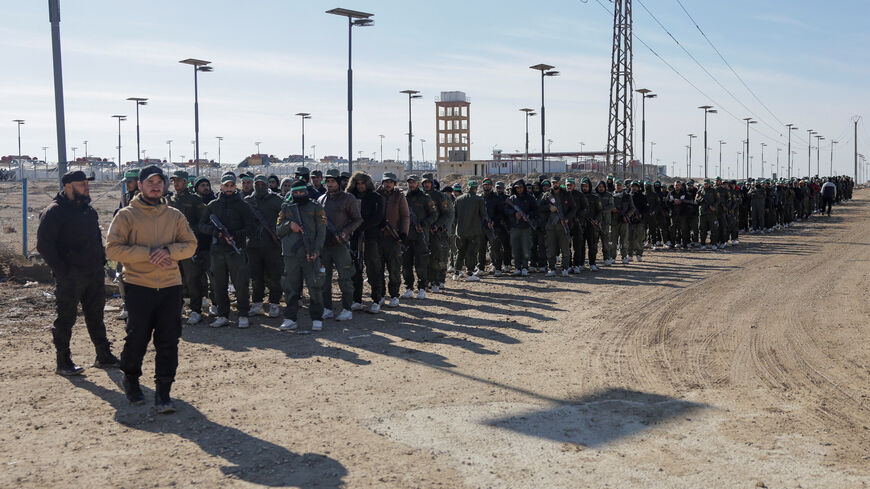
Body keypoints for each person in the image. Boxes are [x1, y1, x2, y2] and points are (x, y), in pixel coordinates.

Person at [105, 165, 197, 413]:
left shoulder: (175, 216)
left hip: (170, 286)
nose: (155, 186)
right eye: (150, 182)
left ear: (165, 185)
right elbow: (112, 249)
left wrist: (168, 252)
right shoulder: (126, 215)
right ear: (141, 185)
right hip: (139, 286)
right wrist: (148, 255)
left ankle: (163, 391)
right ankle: (131, 379)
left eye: (160, 182)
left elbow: (190, 245)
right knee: (137, 337)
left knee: (168, 341)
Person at [37, 170, 121, 376]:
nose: (87, 186)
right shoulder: (54, 211)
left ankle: (103, 355)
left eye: (87, 183)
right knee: (66, 318)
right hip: (70, 277)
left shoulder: (88, 211)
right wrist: (62, 271)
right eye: (82, 183)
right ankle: (63, 361)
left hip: (93, 273)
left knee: (96, 316)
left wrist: (102, 261)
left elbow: (95, 240)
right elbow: (44, 246)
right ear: (68, 186)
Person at [198, 173, 256, 328]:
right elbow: (202, 225)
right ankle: (223, 315)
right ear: (221, 187)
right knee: (218, 284)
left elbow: (251, 227)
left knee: (240, 284)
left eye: (232, 185)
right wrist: (216, 232)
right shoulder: (213, 205)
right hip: (217, 252)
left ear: (235, 186)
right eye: (226, 186)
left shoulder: (243, 206)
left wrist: (235, 234)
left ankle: (243, 314)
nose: (229, 188)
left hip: (236, 251)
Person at [277, 180, 327, 331]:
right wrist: (289, 226)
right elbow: (278, 229)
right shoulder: (286, 207)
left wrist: (316, 250)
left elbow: (321, 231)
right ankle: (290, 318)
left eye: (302, 192)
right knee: (291, 287)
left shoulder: (316, 207)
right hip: (291, 255)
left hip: (310, 253)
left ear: (306, 192)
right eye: (296, 192)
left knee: (315, 286)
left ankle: (317, 318)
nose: (299, 195)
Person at [318, 169, 362, 321]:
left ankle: (347, 308)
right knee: (324, 279)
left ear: (338, 183)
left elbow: (357, 219)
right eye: (327, 181)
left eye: (332, 181)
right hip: (324, 246)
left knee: (345, 278)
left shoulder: (348, 199)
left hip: (340, 245)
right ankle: (327, 308)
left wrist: (345, 232)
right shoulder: (321, 199)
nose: (329, 184)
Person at [167, 170, 208, 325]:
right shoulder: (170, 200)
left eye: (179, 181)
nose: (176, 183)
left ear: (186, 182)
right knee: (176, 279)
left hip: (188, 246)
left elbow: (202, 223)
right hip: (173, 246)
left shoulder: (195, 200)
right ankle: (178, 308)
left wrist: (188, 230)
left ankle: (196, 310)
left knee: (192, 279)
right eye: (174, 181)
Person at [244, 175, 284, 318]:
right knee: (256, 277)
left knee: (275, 276)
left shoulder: (276, 200)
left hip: (273, 245)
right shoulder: (248, 201)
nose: (260, 186)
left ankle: (274, 303)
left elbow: (286, 217)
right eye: (257, 184)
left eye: (263, 184)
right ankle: (257, 303)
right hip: (253, 246)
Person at [348, 172, 386, 313]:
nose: (360, 186)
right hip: (354, 237)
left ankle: (376, 299)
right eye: (357, 183)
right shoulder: (350, 197)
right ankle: (356, 300)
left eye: (362, 183)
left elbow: (377, 218)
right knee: (355, 270)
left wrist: (361, 226)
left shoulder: (376, 198)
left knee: (374, 269)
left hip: (371, 237)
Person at [377, 173, 410, 307]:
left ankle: (394, 295)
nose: (388, 184)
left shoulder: (399, 196)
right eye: (386, 182)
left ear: (394, 183)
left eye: (391, 182)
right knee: (377, 269)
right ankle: (379, 295)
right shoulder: (376, 195)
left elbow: (405, 216)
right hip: (378, 238)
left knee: (394, 269)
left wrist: (403, 234)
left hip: (394, 238)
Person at [402, 175, 437, 299]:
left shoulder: (425, 198)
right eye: (409, 182)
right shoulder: (403, 197)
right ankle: (408, 288)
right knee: (406, 264)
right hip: (406, 236)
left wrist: (423, 224)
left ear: (418, 184)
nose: (411, 185)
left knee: (421, 264)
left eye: (414, 182)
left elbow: (434, 214)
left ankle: (422, 288)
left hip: (420, 236)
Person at [452, 180, 487, 281]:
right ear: (476, 188)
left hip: (460, 231)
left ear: (467, 188)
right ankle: (470, 273)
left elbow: (454, 216)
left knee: (460, 251)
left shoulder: (458, 199)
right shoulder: (479, 199)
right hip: (474, 231)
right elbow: (484, 215)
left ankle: (457, 272)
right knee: (471, 252)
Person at [423, 173, 452, 291]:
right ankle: (428, 281)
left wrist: (437, 225)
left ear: (432, 183)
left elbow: (447, 214)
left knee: (439, 257)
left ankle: (438, 281)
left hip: (438, 232)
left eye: (428, 182)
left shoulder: (440, 196)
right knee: (425, 258)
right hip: (424, 231)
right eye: (424, 183)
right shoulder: (421, 196)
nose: (427, 185)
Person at [541, 180, 576, 276]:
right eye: (553, 183)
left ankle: (565, 268)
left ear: (559, 183)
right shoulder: (547, 195)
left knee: (565, 248)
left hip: (562, 225)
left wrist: (567, 218)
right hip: (550, 227)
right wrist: (549, 207)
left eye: (556, 183)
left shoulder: (566, 194)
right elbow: (539, 207)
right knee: (550, 248)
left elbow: (573, 208)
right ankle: (551, 269)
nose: (555, 184)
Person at [506, 179, 538, 276]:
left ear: (523, 187)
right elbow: (506, 210)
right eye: (517, 188)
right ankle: (517, 267)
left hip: (526, 227)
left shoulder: (530, 198)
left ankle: (524, 267)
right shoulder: (512, 199)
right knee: (515, 248)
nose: (519, 189)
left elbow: (536, 210)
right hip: (515, 227)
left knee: (526, 248)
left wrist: (528, 215)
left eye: (520, 187)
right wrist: (514, 213)